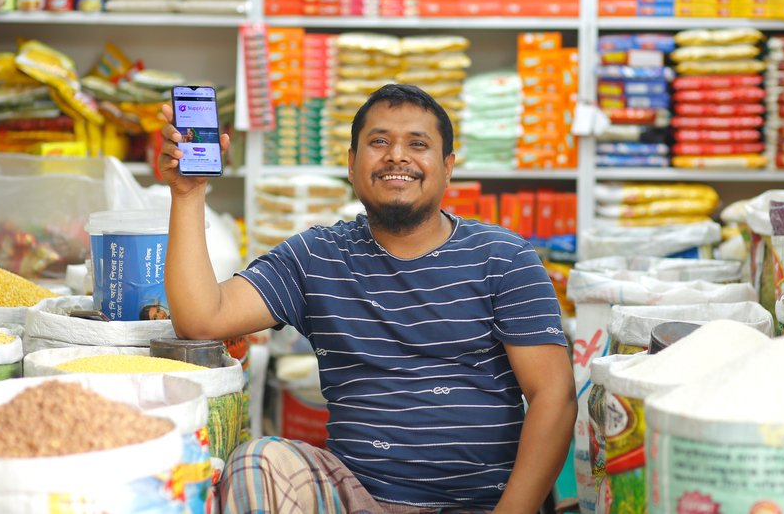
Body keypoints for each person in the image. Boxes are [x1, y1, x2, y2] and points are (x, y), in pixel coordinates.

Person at [159, 83, 576, 513]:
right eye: (379, 142)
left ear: (448, 167)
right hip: (357, 499)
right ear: (352, 164)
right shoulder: (317, 257)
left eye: (418, 144)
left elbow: (554, 394)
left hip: (481, 504)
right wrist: (188, 194)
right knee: (257, 462)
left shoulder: (504, 257)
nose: (397, 155)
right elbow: (202, 320)